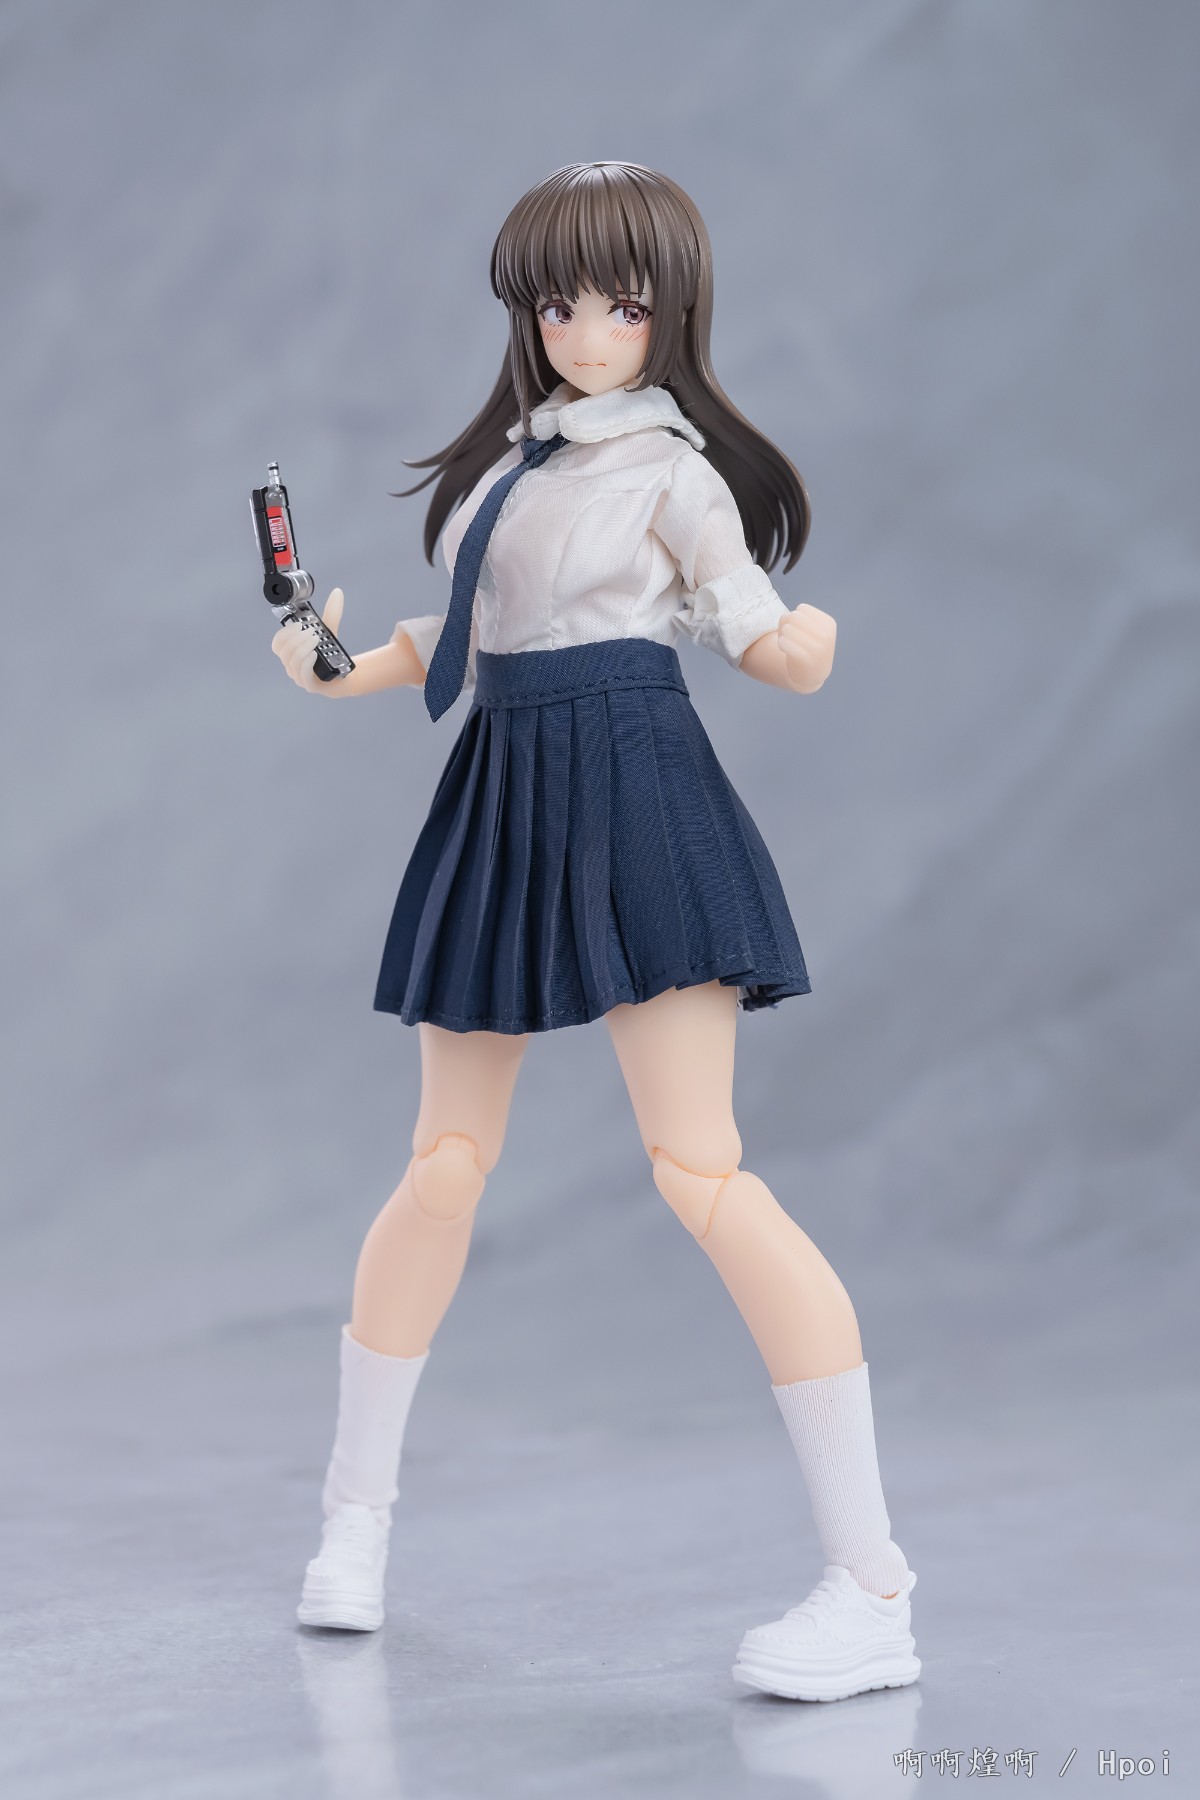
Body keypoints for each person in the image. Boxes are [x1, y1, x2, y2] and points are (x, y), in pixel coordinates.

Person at [271, 160, 919, 1703]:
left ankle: (874, 1584)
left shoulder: (673, 476)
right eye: (557, 304)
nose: (582, 332)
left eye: (617, 305)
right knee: (444, 1164)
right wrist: (334, 661)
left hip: (634, 784)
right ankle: (353, 1521)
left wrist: (797, 645)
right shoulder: (512, 467)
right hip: (505, 788)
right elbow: (469, 633)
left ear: (667, 313)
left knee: (702, 1172)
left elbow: (748, 620)